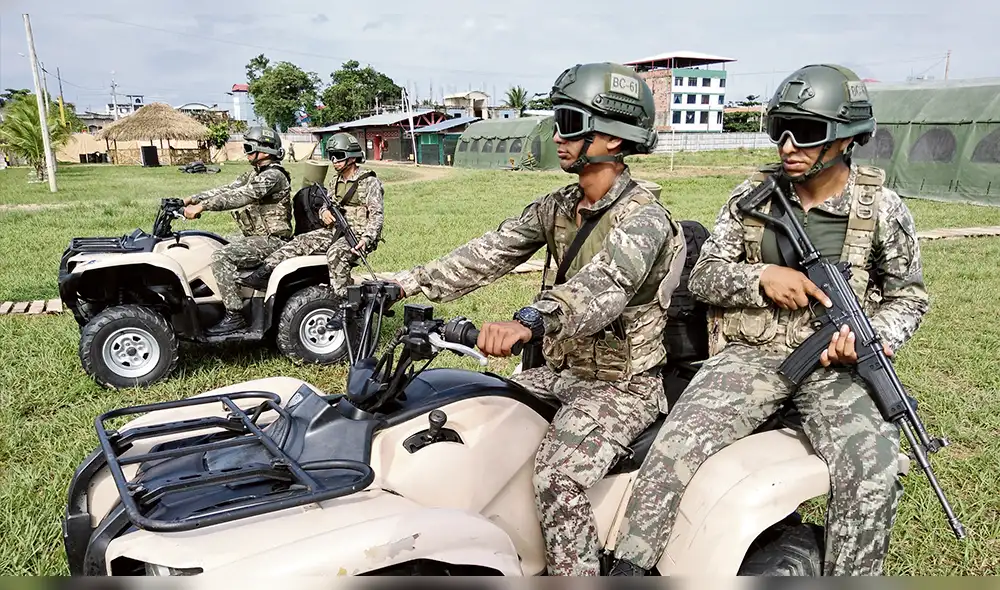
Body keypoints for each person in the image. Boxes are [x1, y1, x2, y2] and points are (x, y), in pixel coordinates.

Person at [606, 64, 930, 576]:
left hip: (836, 368)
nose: (786, 145)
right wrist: (761, 279)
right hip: (749, 357)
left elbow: (908, 297)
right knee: (675, 447)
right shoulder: (750, 198)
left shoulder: (883, 210)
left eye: (804, 132)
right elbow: (705, 275)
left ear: (844, 139)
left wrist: (873, 339)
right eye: (778, 127)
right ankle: (628, 564)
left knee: (874, 465)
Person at [388, 62, 687, 576]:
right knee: (474, 410)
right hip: (561, 373)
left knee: (557, 476)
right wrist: (405, 283)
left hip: (622, 387)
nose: (557, 135)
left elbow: (605, 288)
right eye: (557, 120)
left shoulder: (645, 218)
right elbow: (489, 252)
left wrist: (531, 319)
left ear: (613, 139)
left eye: (571, 122)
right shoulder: (558, 207)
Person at [237, 132, 384, 298]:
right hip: (336, 231)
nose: (334, 160)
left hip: (358, 236)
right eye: (331, 156)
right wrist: (324, 212)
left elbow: (376, 215)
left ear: (352, 157)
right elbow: (326, 205)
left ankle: (343, 300)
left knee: (335, 253)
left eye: (339, 156)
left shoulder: (369, 181)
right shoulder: (334, 181)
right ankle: (264, 273)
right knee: (300, 241)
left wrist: (366, 239)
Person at [181, 126, 292, 334]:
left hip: (273, 240)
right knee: (213, 243)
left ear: (265, 151)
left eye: (249, 148)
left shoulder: (274, 176)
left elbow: (242, 196)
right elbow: (228, 189)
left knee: (222, 256)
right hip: (257, 236)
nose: (246, 152)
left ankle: (234, 315)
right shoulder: (254, 174)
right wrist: (193, 198)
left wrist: (203, 207)